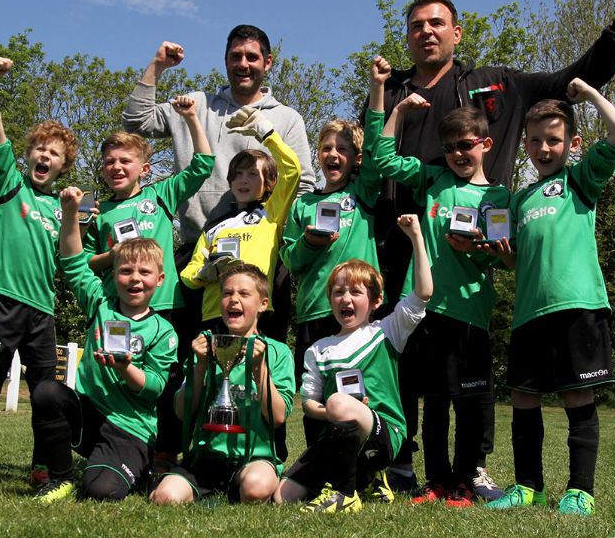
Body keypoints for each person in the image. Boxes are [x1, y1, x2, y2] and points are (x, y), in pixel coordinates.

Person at [365, 0, 615, 495]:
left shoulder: (494, 84)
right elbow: (378, 159)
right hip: (403, 252)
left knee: (473, 386)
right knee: (412, 376)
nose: (426, 31)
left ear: (457, 33)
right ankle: (407, 465)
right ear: (407, 36)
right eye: (416, 25)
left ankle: (473, 466)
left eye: (437, 23)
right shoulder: (393, 91)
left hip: (471, 275)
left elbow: (571, 79)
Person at [366, 57, 511, 506]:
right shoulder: (432, 178)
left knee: (470, 403)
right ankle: (436, 480)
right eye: (449, 147)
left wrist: (483, 252)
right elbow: (383, 157)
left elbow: (506, 261)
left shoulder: (498, 195)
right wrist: (397, 112)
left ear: (485, 144)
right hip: (426, 308)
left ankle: (466, 480)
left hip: (470, 312)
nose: (457, 155)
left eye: (465, 145)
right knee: (434, 403)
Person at [486, 78, 615, 516]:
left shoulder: (580, 181)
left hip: (577, 307)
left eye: (553, 139)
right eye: (535, 140)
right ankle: (528, 486)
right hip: (529, 314)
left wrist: (587, 94)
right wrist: (499, 254)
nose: (543, 148)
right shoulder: (519, 199)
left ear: (573, 142)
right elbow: (513, 261)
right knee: (523, 398)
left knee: (576, 397)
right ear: (526, 144)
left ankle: (580, 490)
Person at [122, 26, 315, 344]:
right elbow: (136, 120)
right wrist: (157, 65)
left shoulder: (286, 118)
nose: (243, 64)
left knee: (262, 358)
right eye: (235, 56)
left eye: (252, 57)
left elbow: (303, 184)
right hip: (197, 257)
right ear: (225, 61)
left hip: (261, 260)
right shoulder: (196, 105)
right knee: (190, 357)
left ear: (268, 62)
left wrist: (280, 233)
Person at [0, 57, 79, 492]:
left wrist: (77, 217)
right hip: (4, 301)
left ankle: (41, 469)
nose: (44, 156)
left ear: (63, 166)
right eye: (39, 150)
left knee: (44, 396)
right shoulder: (11, 184)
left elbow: (74, 260)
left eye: (55, 154)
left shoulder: (66, 208)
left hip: (42, 313)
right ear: (27, 155)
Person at [83, 98, 213, 466]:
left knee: (168, 383)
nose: (116, 167)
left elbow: (203, 164)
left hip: (165, 307)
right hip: (119, 311)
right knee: (118, 379)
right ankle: (115, 449)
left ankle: (165, 455)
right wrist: (115, 255)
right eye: (109, 161)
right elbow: (87, 262)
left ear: (145, 167)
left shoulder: (160, 196)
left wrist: (190, 118)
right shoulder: (98, 212)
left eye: (125, 160)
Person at [275, 213, 433, 513]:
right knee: (284, 496)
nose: (345, 298)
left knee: (338, 402)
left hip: (384, 435)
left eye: (355, 292)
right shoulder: (318, 350)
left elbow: (423, 293)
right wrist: (333, 412)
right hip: (337, 434)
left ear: (374, 301)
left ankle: (345, 494)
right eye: (338, 292)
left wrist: (417, 238)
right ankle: (369, 480)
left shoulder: (387, 331)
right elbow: (308, 403)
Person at [28, 187, 178, 502]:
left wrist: (126, 368)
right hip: (90, 414)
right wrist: (71, 214)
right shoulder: (100, 303)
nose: (135, 278)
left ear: (160, 279)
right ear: (114, 273)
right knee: (46, 392)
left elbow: (154, 389)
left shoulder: (163, 331)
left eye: (144, 272)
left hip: (130, 426)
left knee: (101, 491)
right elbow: (71, 260)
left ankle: (137, 465)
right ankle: (60, 476)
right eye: (125, 270)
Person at [149, 264, 294, 505]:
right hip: (207, 457)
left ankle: (251, 482)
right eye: (227, 293)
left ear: (263, 304)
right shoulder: (203, 346)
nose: (233, 300)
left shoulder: (277, 352)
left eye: (244, 294)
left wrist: (260, 370)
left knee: (256, 489)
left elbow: (278, 417)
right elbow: (182, 412)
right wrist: (199, 368)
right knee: (166, 497)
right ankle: (192, 483)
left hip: (255, 459)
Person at [280, 112, 382, 445]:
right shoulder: (303, 205)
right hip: (314, 311)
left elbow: (380, 150)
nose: (333, 155)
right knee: (318, 391)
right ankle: (318, 465)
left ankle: (367, 465)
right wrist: (310, 242)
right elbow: (290, 259)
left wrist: (378, 90)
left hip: (358, 314)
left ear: (356, 159)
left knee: (361, 390)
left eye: (342, 148)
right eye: (326, 148)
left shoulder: (363, 191)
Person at [180, 109, 300, 336]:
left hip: (257, 313)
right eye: (238, 174)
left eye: (252, 174)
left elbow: (292, 171)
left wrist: (265, 131)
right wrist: (202, 274)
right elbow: (188, 274)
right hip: (214, 314)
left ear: (270, 182)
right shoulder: (215, 226)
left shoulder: (271, 214)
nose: (243, 180)